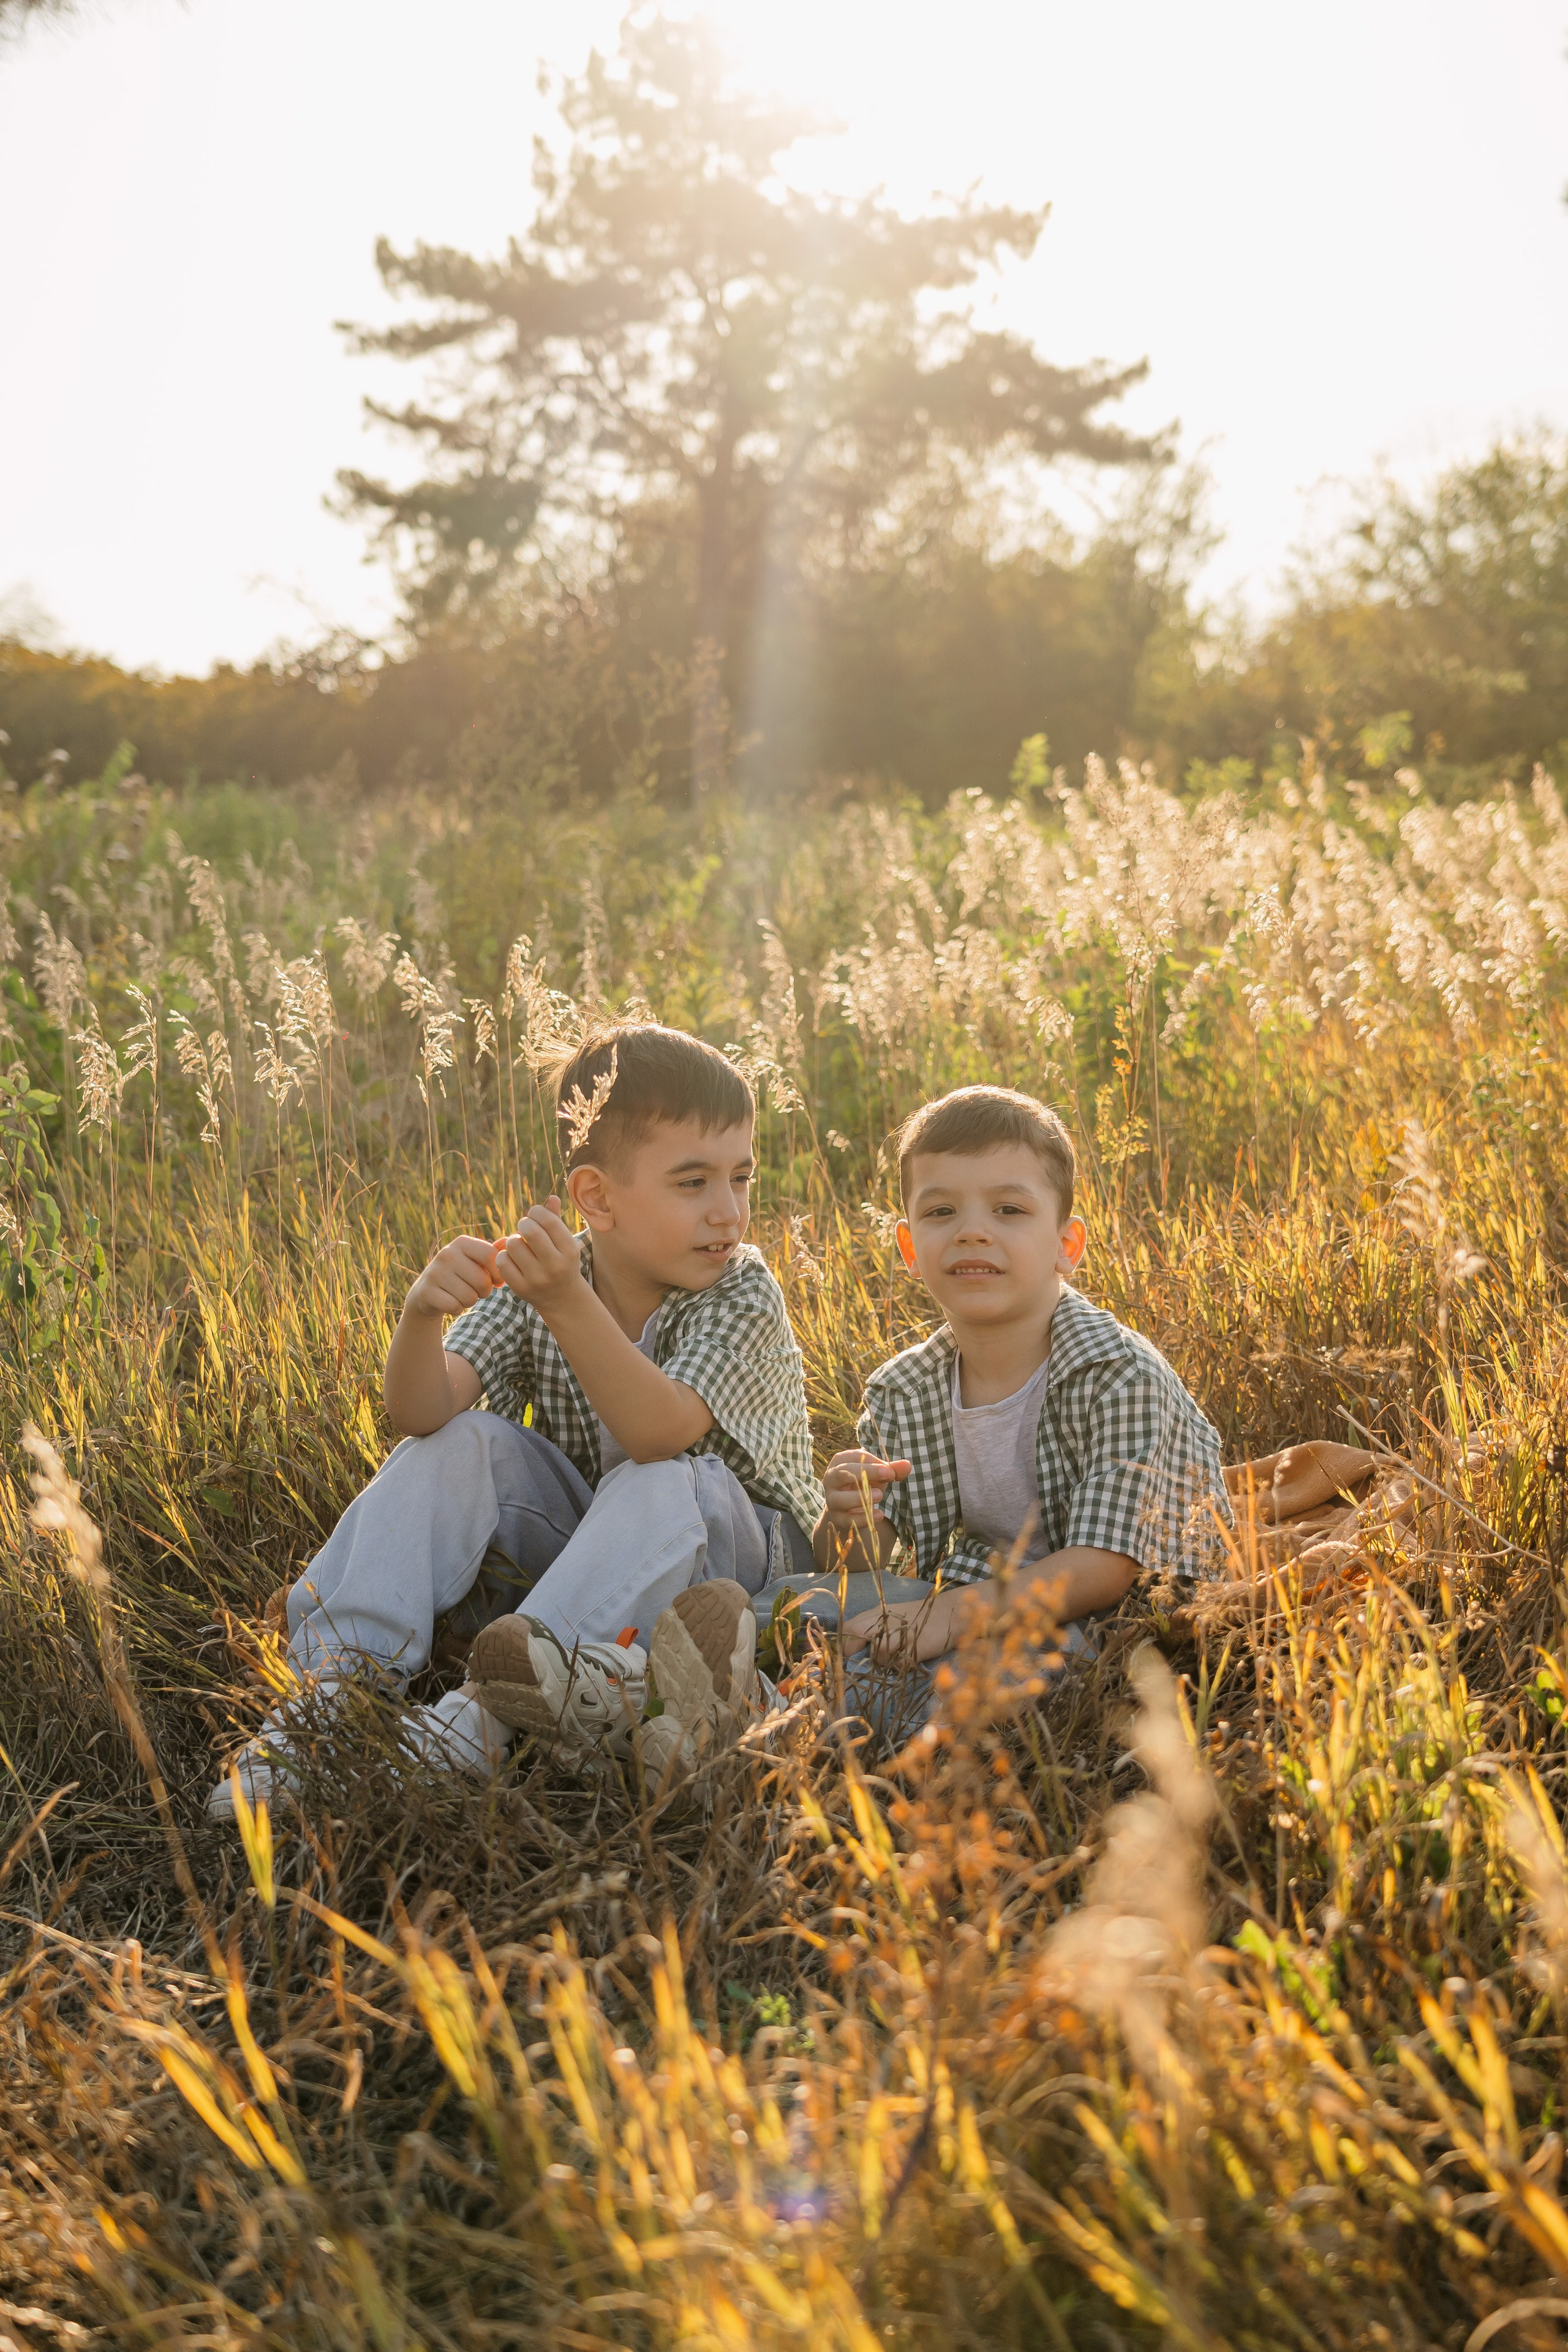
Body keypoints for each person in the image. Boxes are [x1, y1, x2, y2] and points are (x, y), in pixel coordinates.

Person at [207, 1023, 821, 1817]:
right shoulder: (554, 1276)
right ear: (596, 1197)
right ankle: (327, 1701)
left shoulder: (740, 1290)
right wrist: (422, 1314)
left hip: (740, 1568)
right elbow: (422, 1412)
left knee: (663, 1477)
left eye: (741, 1177)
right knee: (460, 1443)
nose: (728, 1212)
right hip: (599, 1564)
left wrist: (565, 1303)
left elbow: (659, 1433)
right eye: (693, 1182)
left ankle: (474, 1724)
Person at [808, 1084, 1228, 1735]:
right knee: (804, 1600)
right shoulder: (905, 1389)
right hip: (975, 1596)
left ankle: (798, 1714)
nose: (972, 1231)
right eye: (942, 1211)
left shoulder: (1118, 1373)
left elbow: (1105, 1568)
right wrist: (847, 1519)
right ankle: (720, 1674)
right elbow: (858, 1564)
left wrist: (944, 1618)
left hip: (1105, 1617)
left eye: (1008, 1209)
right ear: (910, 1249)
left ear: (1067, 1245)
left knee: (966, 1682)